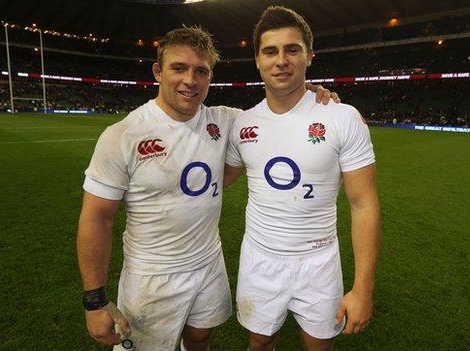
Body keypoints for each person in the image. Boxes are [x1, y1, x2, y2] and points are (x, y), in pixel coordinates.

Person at [76, 26, 339, 351]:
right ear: (158, 71)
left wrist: (308, 92)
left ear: (210, 76)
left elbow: (278, 115)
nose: (190, 80)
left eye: (201, 71)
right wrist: (95, 301)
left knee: (201, 337)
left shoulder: (226, 121)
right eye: (179, 68)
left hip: (208, 262)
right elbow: (96, 219)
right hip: (152, 273)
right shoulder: (124, 135)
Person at [224, 7, 381, 351]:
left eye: (292, 49)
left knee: (319, 346)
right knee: (259, 342)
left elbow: (364, 204)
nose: (281, 60)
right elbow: (216, 182)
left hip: (319, 262)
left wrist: (363, 290)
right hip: (260, 259)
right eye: (270, 51)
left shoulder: (343, 118)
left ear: (309, 56)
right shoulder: (242, 125)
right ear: (257, 60)